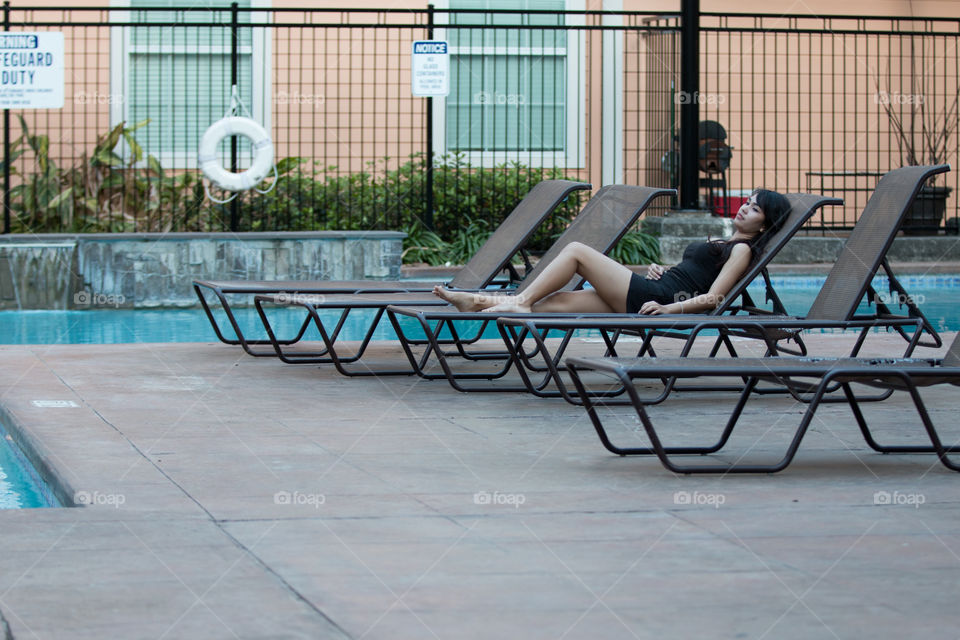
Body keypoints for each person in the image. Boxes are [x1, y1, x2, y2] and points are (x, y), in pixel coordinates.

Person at [433, 188, 791, 315]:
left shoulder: (742, 250)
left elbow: (714, 298)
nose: (745, 208)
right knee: (556, 303)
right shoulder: (726, 243)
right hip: (656, 289)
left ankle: (517, 300)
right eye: (746, 202)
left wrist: (670, 306)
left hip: (657, 301)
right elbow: (695, 275)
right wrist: (665, 270)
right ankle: (476, 302)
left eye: (755, 209)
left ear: (765, 224)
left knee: (577, 251)